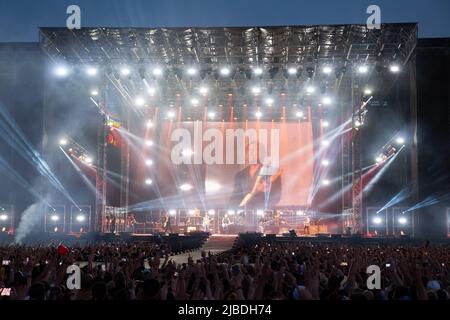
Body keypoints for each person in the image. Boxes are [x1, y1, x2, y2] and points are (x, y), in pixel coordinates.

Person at [230, 141, 282, 209]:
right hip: (243, 214)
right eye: (249, 151)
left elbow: (276, 197)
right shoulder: (240, 175)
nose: (251, 153)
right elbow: (235, 197)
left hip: (265, 215)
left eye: (255, 150)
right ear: (245, 155)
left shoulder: (272, 172)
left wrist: (261, 206)